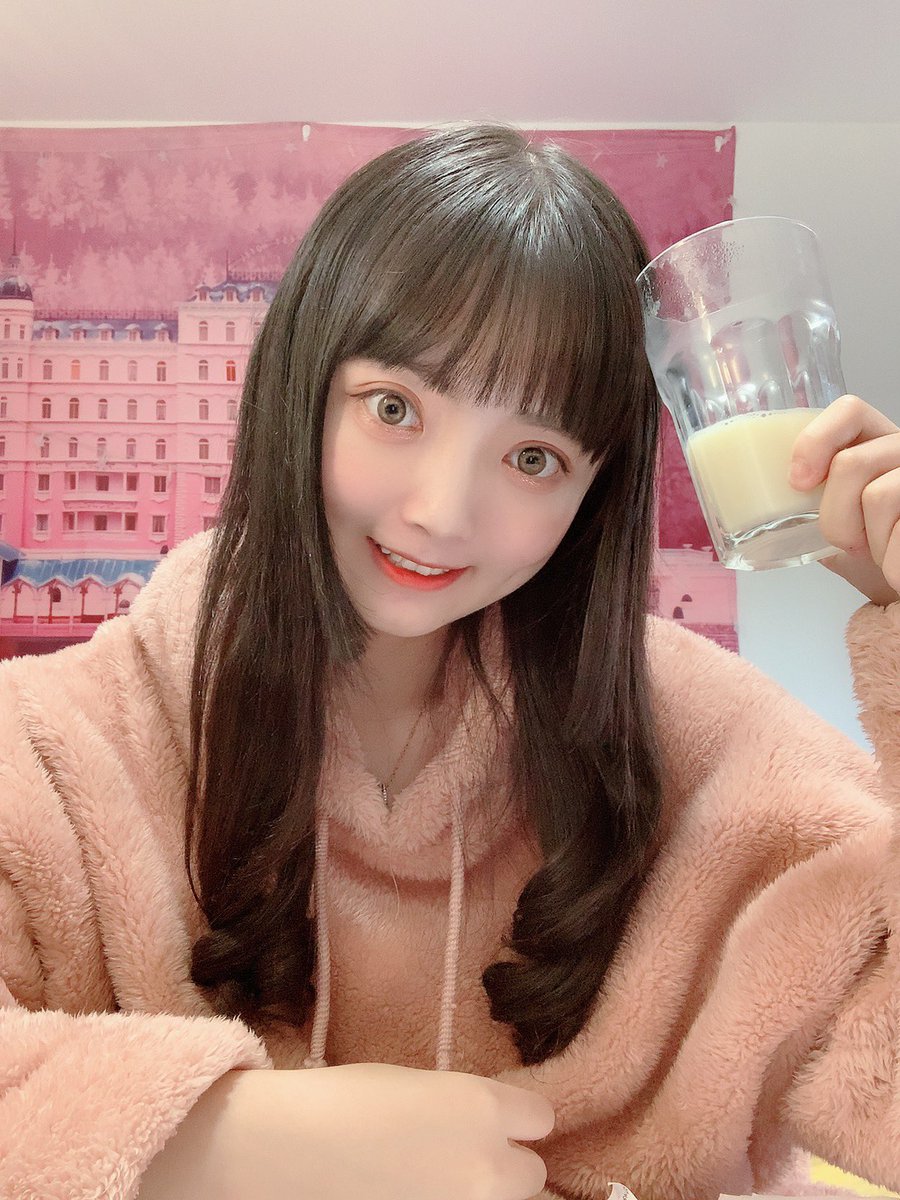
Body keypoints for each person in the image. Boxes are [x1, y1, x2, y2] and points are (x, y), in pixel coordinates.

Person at [1, 122, 900, 1200]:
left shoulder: (705, 750)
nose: (440, 512)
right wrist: (211, 1138)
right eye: (395, 409)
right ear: (300, 385)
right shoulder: (59, 747)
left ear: (594, 496)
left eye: (533, 457)